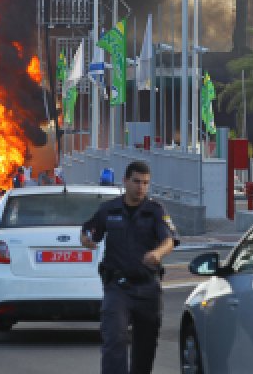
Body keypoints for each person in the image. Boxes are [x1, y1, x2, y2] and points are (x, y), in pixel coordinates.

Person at [80, 160, 179, 374]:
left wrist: (157, 253)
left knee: (145, 346)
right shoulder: (109, 209)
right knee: (114, 338)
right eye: (136, 181)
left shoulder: (155, 211)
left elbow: (169, 240)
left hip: (148, 288)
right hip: (118, 287)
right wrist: (86, 239)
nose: (141, 187)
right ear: (125, 181)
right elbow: (89, 231)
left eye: (145, 183)